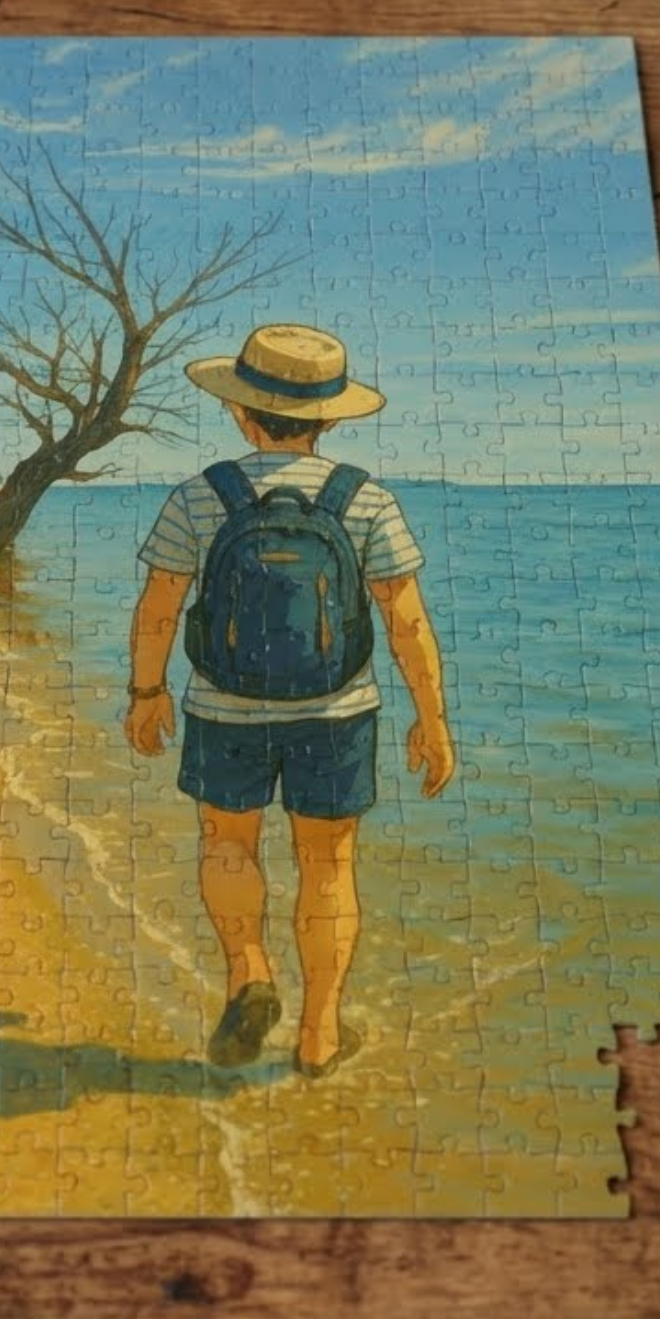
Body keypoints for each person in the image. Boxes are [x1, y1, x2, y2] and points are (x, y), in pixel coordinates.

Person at [125, 323, 455, 1079]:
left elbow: (159, 605)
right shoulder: (365, 500)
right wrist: (431, 719)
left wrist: (147, 693)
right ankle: (319, 1034)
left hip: (223, 708)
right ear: (328, 418)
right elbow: (406, 620)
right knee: (329, 866)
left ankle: (249, 973)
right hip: (338, 713)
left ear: (242, 412)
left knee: (227, 845)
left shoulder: (199, 496)